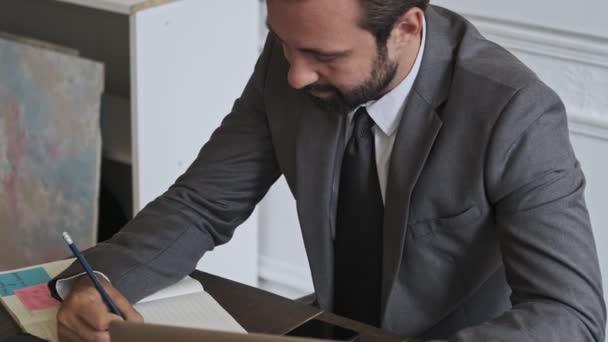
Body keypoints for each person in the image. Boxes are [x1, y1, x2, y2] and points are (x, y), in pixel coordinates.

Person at [51, 0, 606, 341]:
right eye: (284, 42)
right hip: (331, 325)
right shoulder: (291, 58)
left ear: (407, 30)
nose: (295, 74)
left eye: (323, 55)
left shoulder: (515, 112)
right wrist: (103, 280)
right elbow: (202, 204)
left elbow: (569, 315)